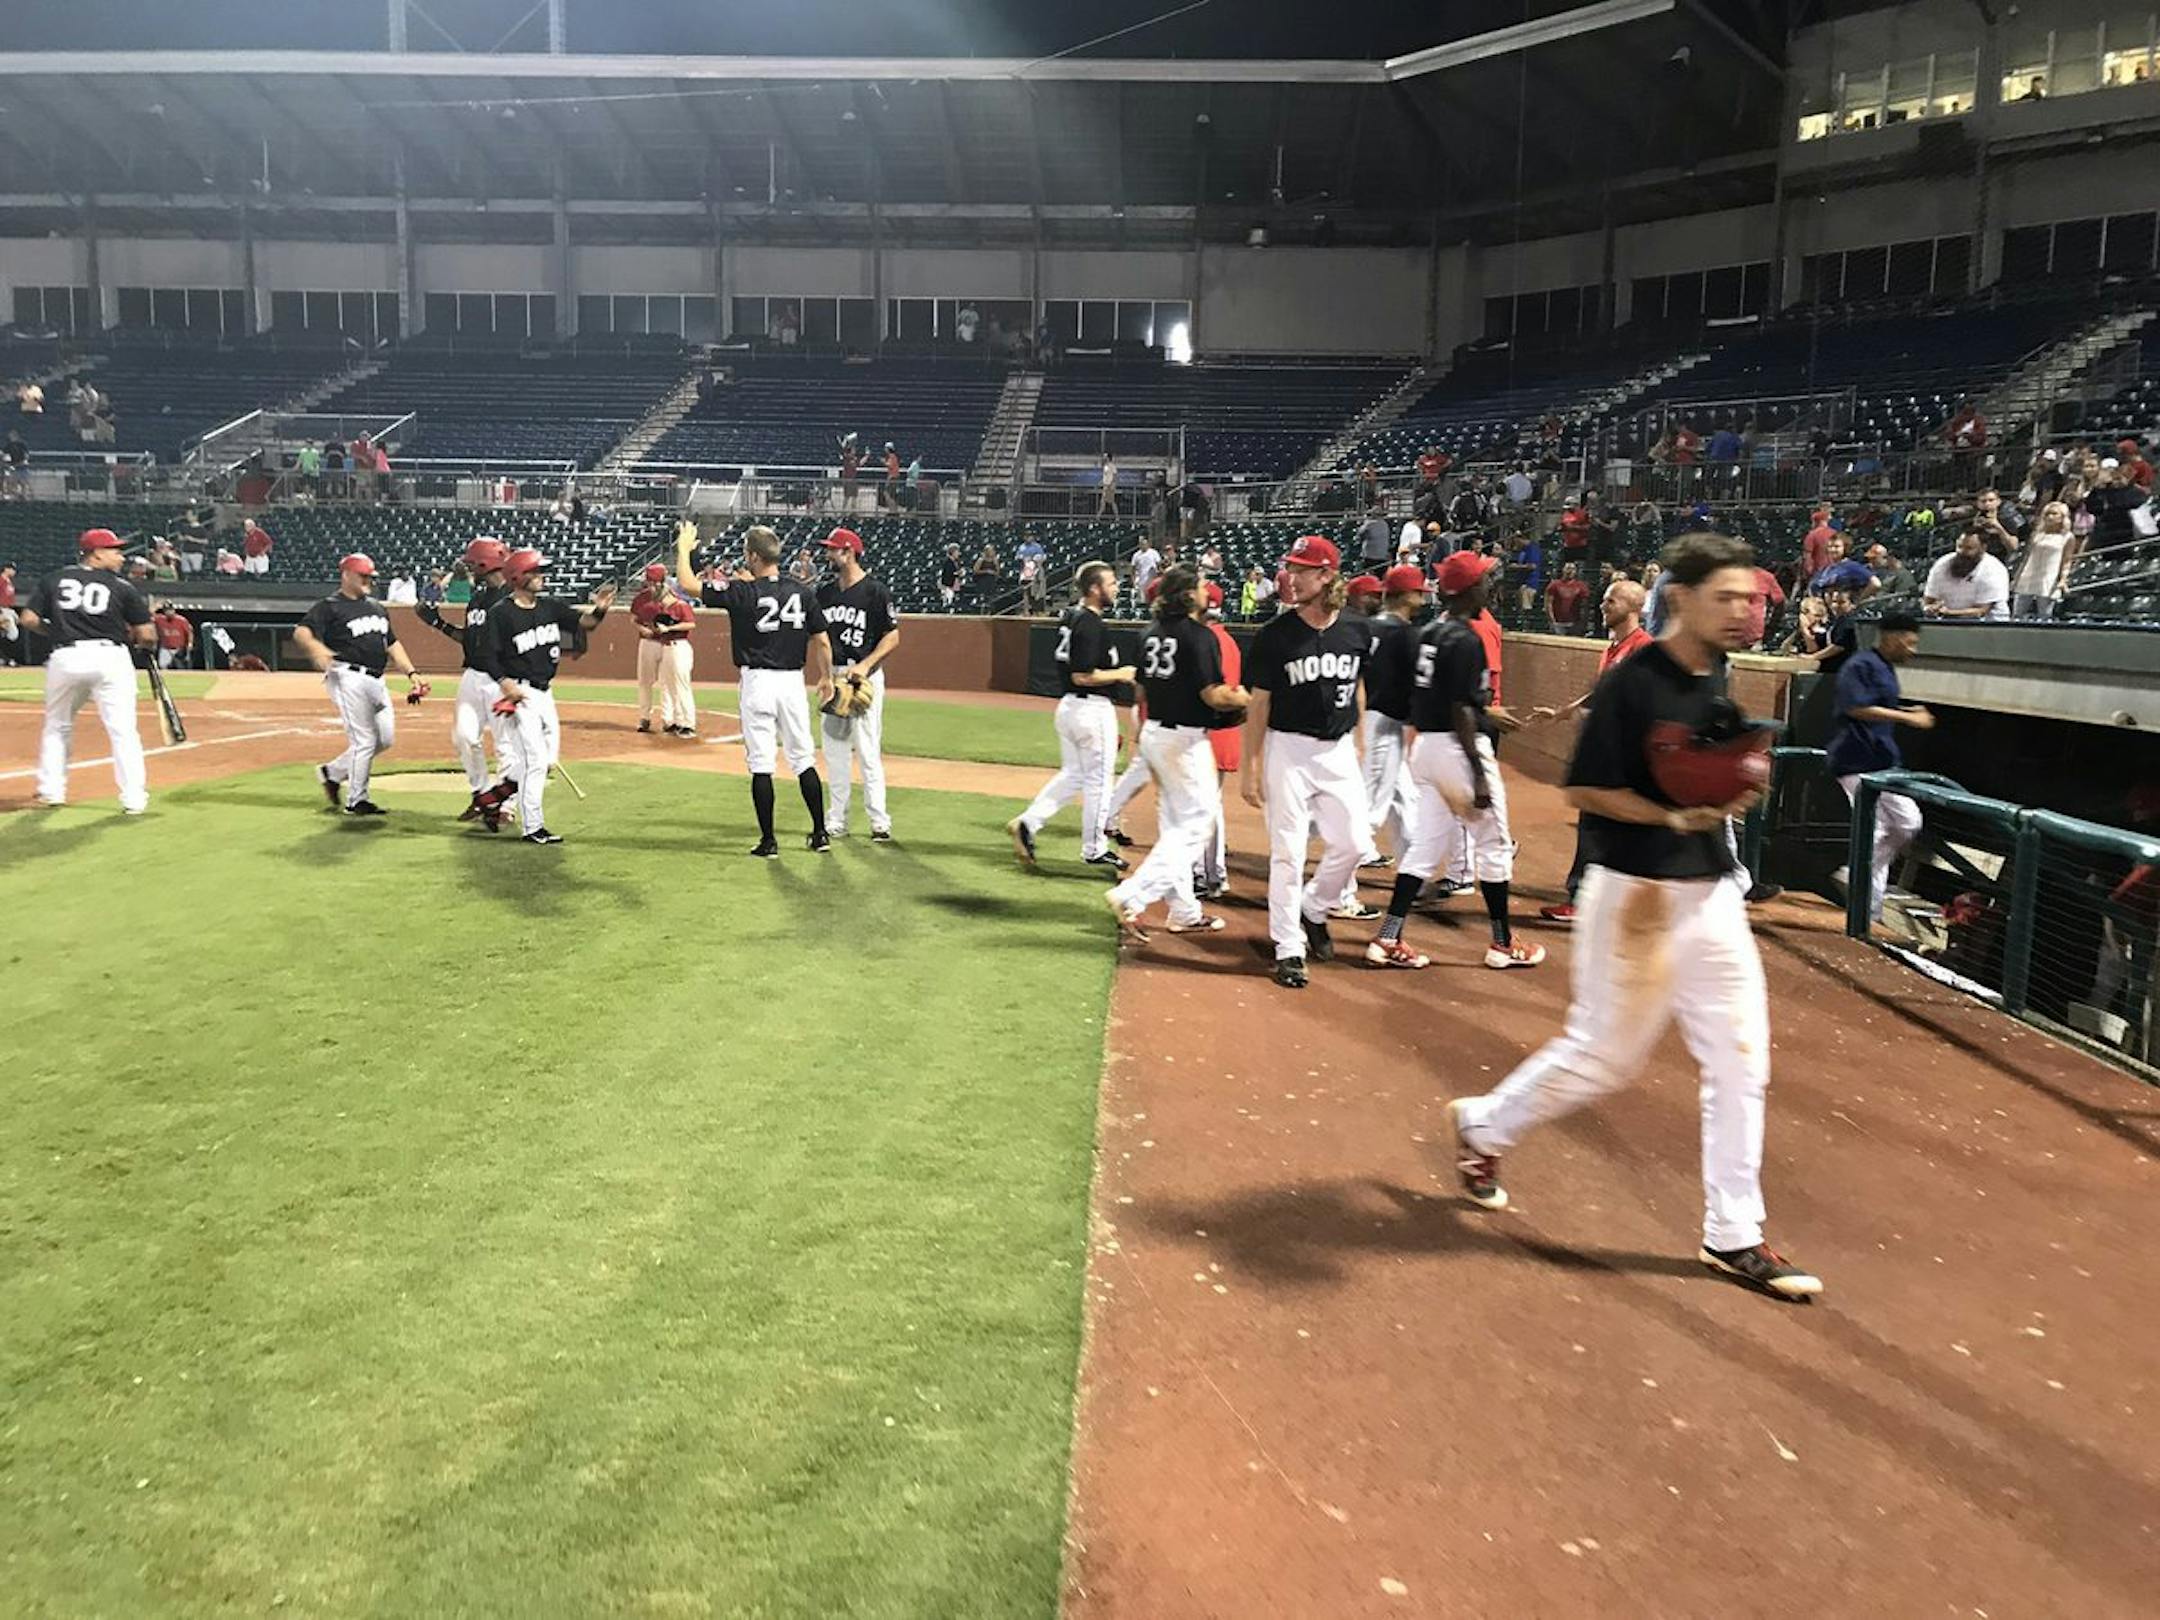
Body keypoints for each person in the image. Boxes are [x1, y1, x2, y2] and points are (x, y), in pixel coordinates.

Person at [1445, 530, 1823, 1302]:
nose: (1745, 610)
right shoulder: (1633, 681)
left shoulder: (1718, 668)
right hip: (1635, 892)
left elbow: (1703, 770)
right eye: (1728, 597)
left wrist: (1732, 787)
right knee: (1604, 1058)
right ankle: (1484, 1127)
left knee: (1741, 1059)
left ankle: (1734, 1233)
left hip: (1710, 891)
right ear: (1680, 599)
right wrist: (1673, 816)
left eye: (1750, 597)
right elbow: (1585, 792)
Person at [1370, 550, 1545, 971]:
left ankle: (1388, 937)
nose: (1490, 584)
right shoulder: (1467, 638)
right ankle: (1502, 943)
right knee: (1494, 845)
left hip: (1425, 750)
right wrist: (1479, 773)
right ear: (1468, 590)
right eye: (1484, 579)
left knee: (1426, 848)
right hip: (1456, 747)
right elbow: (1462, 710)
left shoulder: (1428, 631)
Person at [1239, 536, 1373, 990]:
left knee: (1355, 844)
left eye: (1302, 569)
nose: (1291, 577)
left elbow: (1356, 684)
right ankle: (1288, 947)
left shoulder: (1357, 629)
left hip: (1336, 750)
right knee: (1288, 852)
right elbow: (1258, 706)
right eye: (1290, 568)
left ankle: (1313, 908)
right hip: (1288, 750)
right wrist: (1249, 767)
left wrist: (1359, 737)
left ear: (1327, 575)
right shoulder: (1276, 635)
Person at [1103, 565, 1251, 941]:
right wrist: (1245, 698)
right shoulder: (1199, 635)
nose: (1205, 591)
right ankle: (1132, 896)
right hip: (1183, 739)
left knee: (1175, 825)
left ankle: (1184, 910)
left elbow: (1142, 690)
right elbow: (1213, 694)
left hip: (1156, 731)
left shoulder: (1149, 632)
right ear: (1187, 595)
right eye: (1199, 586)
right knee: (1196, 823)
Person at [674, 520, 835, 857]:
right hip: (792, 681)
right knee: (803, 758)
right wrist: (827, 677)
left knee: (762, 763)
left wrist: (683, 548)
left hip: (758, 681)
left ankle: (769, 841)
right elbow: (821, 639)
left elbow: (688, 584)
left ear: (753, 556)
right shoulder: (802, 593)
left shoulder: (743, 591)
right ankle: (820, 833)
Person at [479, 549, 616, 845]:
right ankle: (533, 826)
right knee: (535, 761)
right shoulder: (500, 614)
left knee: (547, 759)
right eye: (535, 571)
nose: (542, 576)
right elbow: (487, 655)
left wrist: (601, 609)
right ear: (517, 576)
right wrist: (505, 685)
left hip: (545, 693)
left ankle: (493, 798)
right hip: (520, 692)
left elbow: (586, 624)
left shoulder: (550, 607)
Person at [1537, 578, 1652, 924]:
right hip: (1607, 752)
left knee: (1600, 826)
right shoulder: (1612, 648)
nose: (1603, 606)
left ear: (1634, 608)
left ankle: (1584, 898)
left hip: (1622, 756)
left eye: (1611, 601)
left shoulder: (1643, 648)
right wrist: (1563, 712)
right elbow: (1601, 693)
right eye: (1604, 600)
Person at [1008, 561, 1136, 871]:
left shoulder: (1070, 617)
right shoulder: (1090, 623)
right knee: (1099, 782)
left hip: (1069, 708)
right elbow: (1082, 675)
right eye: (1110, 582)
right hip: (1090, 708)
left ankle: (1028, 823)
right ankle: (1094, 848)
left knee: (1075, 774)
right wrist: (1122, 673)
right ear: (1094, 589)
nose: (1116, 587)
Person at [22, 529, 156, 813]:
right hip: (109, 657)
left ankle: (52, 791)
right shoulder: (123, 587)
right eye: (114, 550)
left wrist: (55, 631)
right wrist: (142, 645)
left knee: (57, 726)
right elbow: (147, 634)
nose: (121, 556)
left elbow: (29, 618)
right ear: (96, 553)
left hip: (66, 656)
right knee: (123, 731)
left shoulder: (54, 579)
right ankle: (134, 799)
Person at [292, 554, 430, 819]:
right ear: (346, 575)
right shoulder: (330, 606)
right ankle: (357, 800)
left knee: (384, 739)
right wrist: (316, 649)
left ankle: (331, 773)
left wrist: (412, 673)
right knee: (364, 740)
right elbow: (302, 631)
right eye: (363, 576)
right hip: (347, 676)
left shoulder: (377, 607)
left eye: (370, 577)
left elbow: (392, 643)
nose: (369, 581)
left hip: (377, 679)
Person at [1827, 610, 1932, 922]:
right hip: (1856, 761)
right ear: (1892, 637)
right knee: (1898, 825)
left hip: (1878, 761)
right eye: (1909, 642)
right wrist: (1907, 717)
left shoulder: (1883, 666)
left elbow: (1876, 705)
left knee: (1892, 830)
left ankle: (1867, 914)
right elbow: (1855, 707)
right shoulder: (1859, 664)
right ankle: (1857, 880)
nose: (1913, 650)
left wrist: (1902, 710)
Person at [416, 538, 513, 823]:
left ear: (487, 562)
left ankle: (506, 808)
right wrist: (437, 622)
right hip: (472, 674)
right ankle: (482, 796)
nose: (469, 568)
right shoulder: (478, 598)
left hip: (501, 679)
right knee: (464, 737)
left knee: (506, 745)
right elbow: (468, 639)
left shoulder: (512, 599)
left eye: (473, 563)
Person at [816, 526, 901, 841]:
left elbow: (893, 636)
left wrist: (865, 666)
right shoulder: (824, 594)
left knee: (868, 751)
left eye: (832, 549)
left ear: (848, 551)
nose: (828, 554)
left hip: (865, 678)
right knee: (835, 753)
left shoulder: (876, 592)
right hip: (836, 678)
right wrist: (824, 676)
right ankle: (836, 819)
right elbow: (819, 639)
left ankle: (879, 821)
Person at [631, 562, 698, 737]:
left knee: (669, 683)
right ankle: (644, 718)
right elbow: (634, 618)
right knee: (646, 681)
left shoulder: (675, 601)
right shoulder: (642, 598)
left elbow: (689, 622)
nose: (650, 585)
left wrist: (668, 629)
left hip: (670, 643)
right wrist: (642, 629)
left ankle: (672, 721)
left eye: (653, 581)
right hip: (650, 641)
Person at [2012, 499, 2081, 618]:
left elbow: (2066, 560)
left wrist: (2063, 580)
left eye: (2054, 514)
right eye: (2048, 514)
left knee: (2045, 614)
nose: (2050, 517)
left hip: (2049, 577)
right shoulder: (2037, 534)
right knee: (2017, 613)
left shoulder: (2067, 537)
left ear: (2062, 517)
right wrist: (2017, 577)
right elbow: (2026, 557)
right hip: (2029, 574)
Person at [1923, 529, 2011, 620]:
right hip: (1949, 623)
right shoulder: (1942, 565)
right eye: (1960, 547)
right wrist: (1932, 608)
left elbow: (1981, 610)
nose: (1962, 552)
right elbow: (1929, 599)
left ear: (1983, 548)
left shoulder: (1994, 569)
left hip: (1990, 626)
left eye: (1969, 548)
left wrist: (1948, 613)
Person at [1545, 560, 1589, 634]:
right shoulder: (1554, 585)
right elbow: (1548, 604)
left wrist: (1582, 623)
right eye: (1568, 568)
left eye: (1573, 569)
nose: (1570, 571)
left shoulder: (1581, 586)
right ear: (1563, 570)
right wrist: (1552, 621)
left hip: (1574, 623)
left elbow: (1585, 606)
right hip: (1558, 623)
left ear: (1576, 571)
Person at [152, 602, 193, 670]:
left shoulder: (181, 620)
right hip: (165, 649)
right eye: (167, 610)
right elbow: (147, 617)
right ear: (164, 611)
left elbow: (189, 632)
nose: (169, 612)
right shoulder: (160, 619)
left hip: (179, 649)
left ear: (174, 610)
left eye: (170, 610)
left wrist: (190, 643)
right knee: (162, 666)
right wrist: (154, 608)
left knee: (180, 668)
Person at [1358, 504, 1394, 569]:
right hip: (1382, 556)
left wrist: (1365, 522)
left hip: (1370, 556)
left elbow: (1360, 533)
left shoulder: (1369, 524)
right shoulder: (1385, 524)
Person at [1129, 538, 1162, 607]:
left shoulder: (1154, 553)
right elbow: (1133, 569)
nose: (1143, 546)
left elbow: (1159, 565)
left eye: (1144, 544)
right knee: (1143, 600)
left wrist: (1158, 574)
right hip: (1141, 580)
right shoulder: (1136, 555)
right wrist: (1133, 580)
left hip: (1152, 579)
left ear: (1148, 544)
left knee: (1152, 598)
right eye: (1141, 544)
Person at [971, 541, 1002, 609]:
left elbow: (998, 572)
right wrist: (986, 571)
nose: (993, 552)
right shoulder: (981, 560)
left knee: (991, 598)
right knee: (982, 598)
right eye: (991, 550)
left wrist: (995, 567)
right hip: (982, 581)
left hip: (991, 582)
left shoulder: (995, 560)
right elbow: (975, 570)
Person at [939, 543, 963, 609]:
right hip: (948, 585)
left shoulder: (956, 562)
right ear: (953, 552)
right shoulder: (947, 562)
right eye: (957, 552)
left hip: (953, 584)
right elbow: (948, 574)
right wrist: (957, 573)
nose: (958, 554)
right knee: (948, 600)